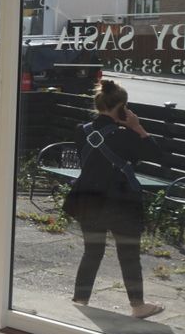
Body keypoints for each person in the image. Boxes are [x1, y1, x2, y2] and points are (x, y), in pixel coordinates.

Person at [63, 79, 163, 318]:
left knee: (92, 252)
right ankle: (138, 305)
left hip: (88, 199)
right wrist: (137, 127)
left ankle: (80, 299)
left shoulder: (82, 131)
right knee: (128, 255)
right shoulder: (126, 136)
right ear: (122, 107)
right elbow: (156, 154)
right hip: (121, 203)